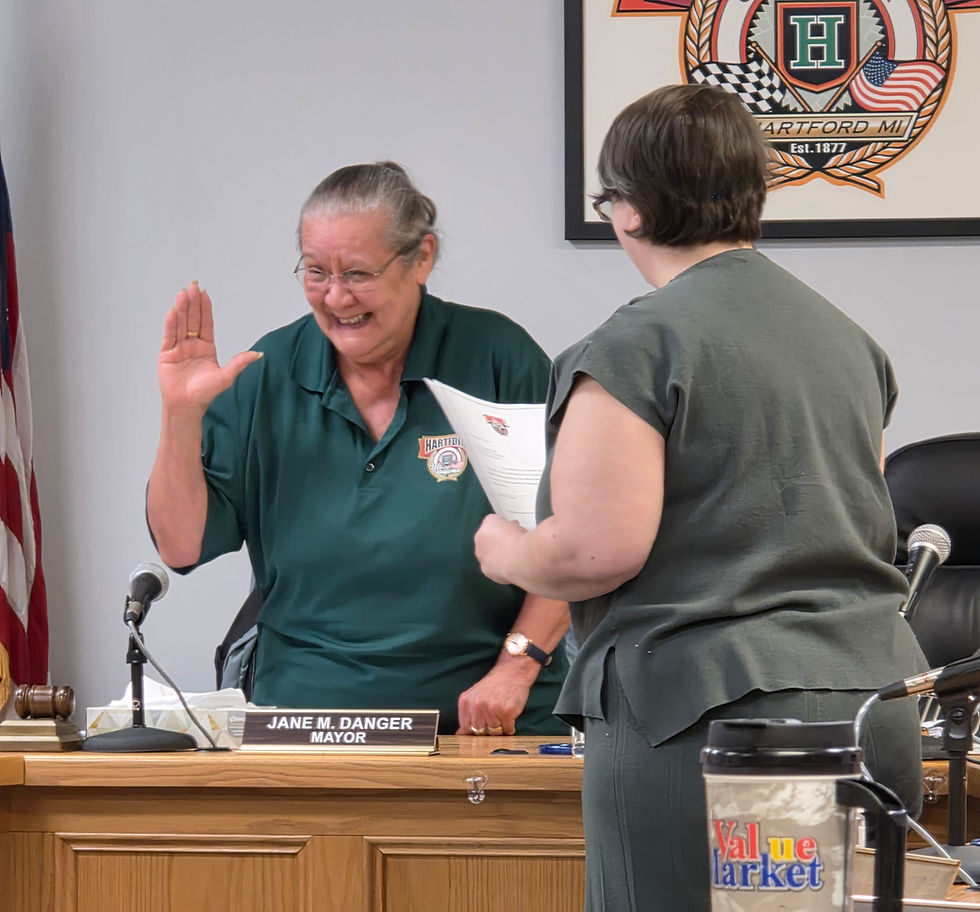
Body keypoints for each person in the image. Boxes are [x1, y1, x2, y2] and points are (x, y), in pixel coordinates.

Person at [473, 85, 926, 910]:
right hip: (871, 709)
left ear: (630, 211)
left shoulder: (635, 345)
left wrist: (506, 549)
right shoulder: (849, 341)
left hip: (708, 723)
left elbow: (595, 548)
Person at [146, 161, 569, 736]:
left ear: (422, 258)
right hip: (305, 721)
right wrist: (180, 414)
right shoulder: (267, 374)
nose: (336, 296)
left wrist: (516, 669)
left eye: (358, 273)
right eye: (316, 272)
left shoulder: (498, 357)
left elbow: (572, 537)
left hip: (485, 719)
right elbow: (180, 545)